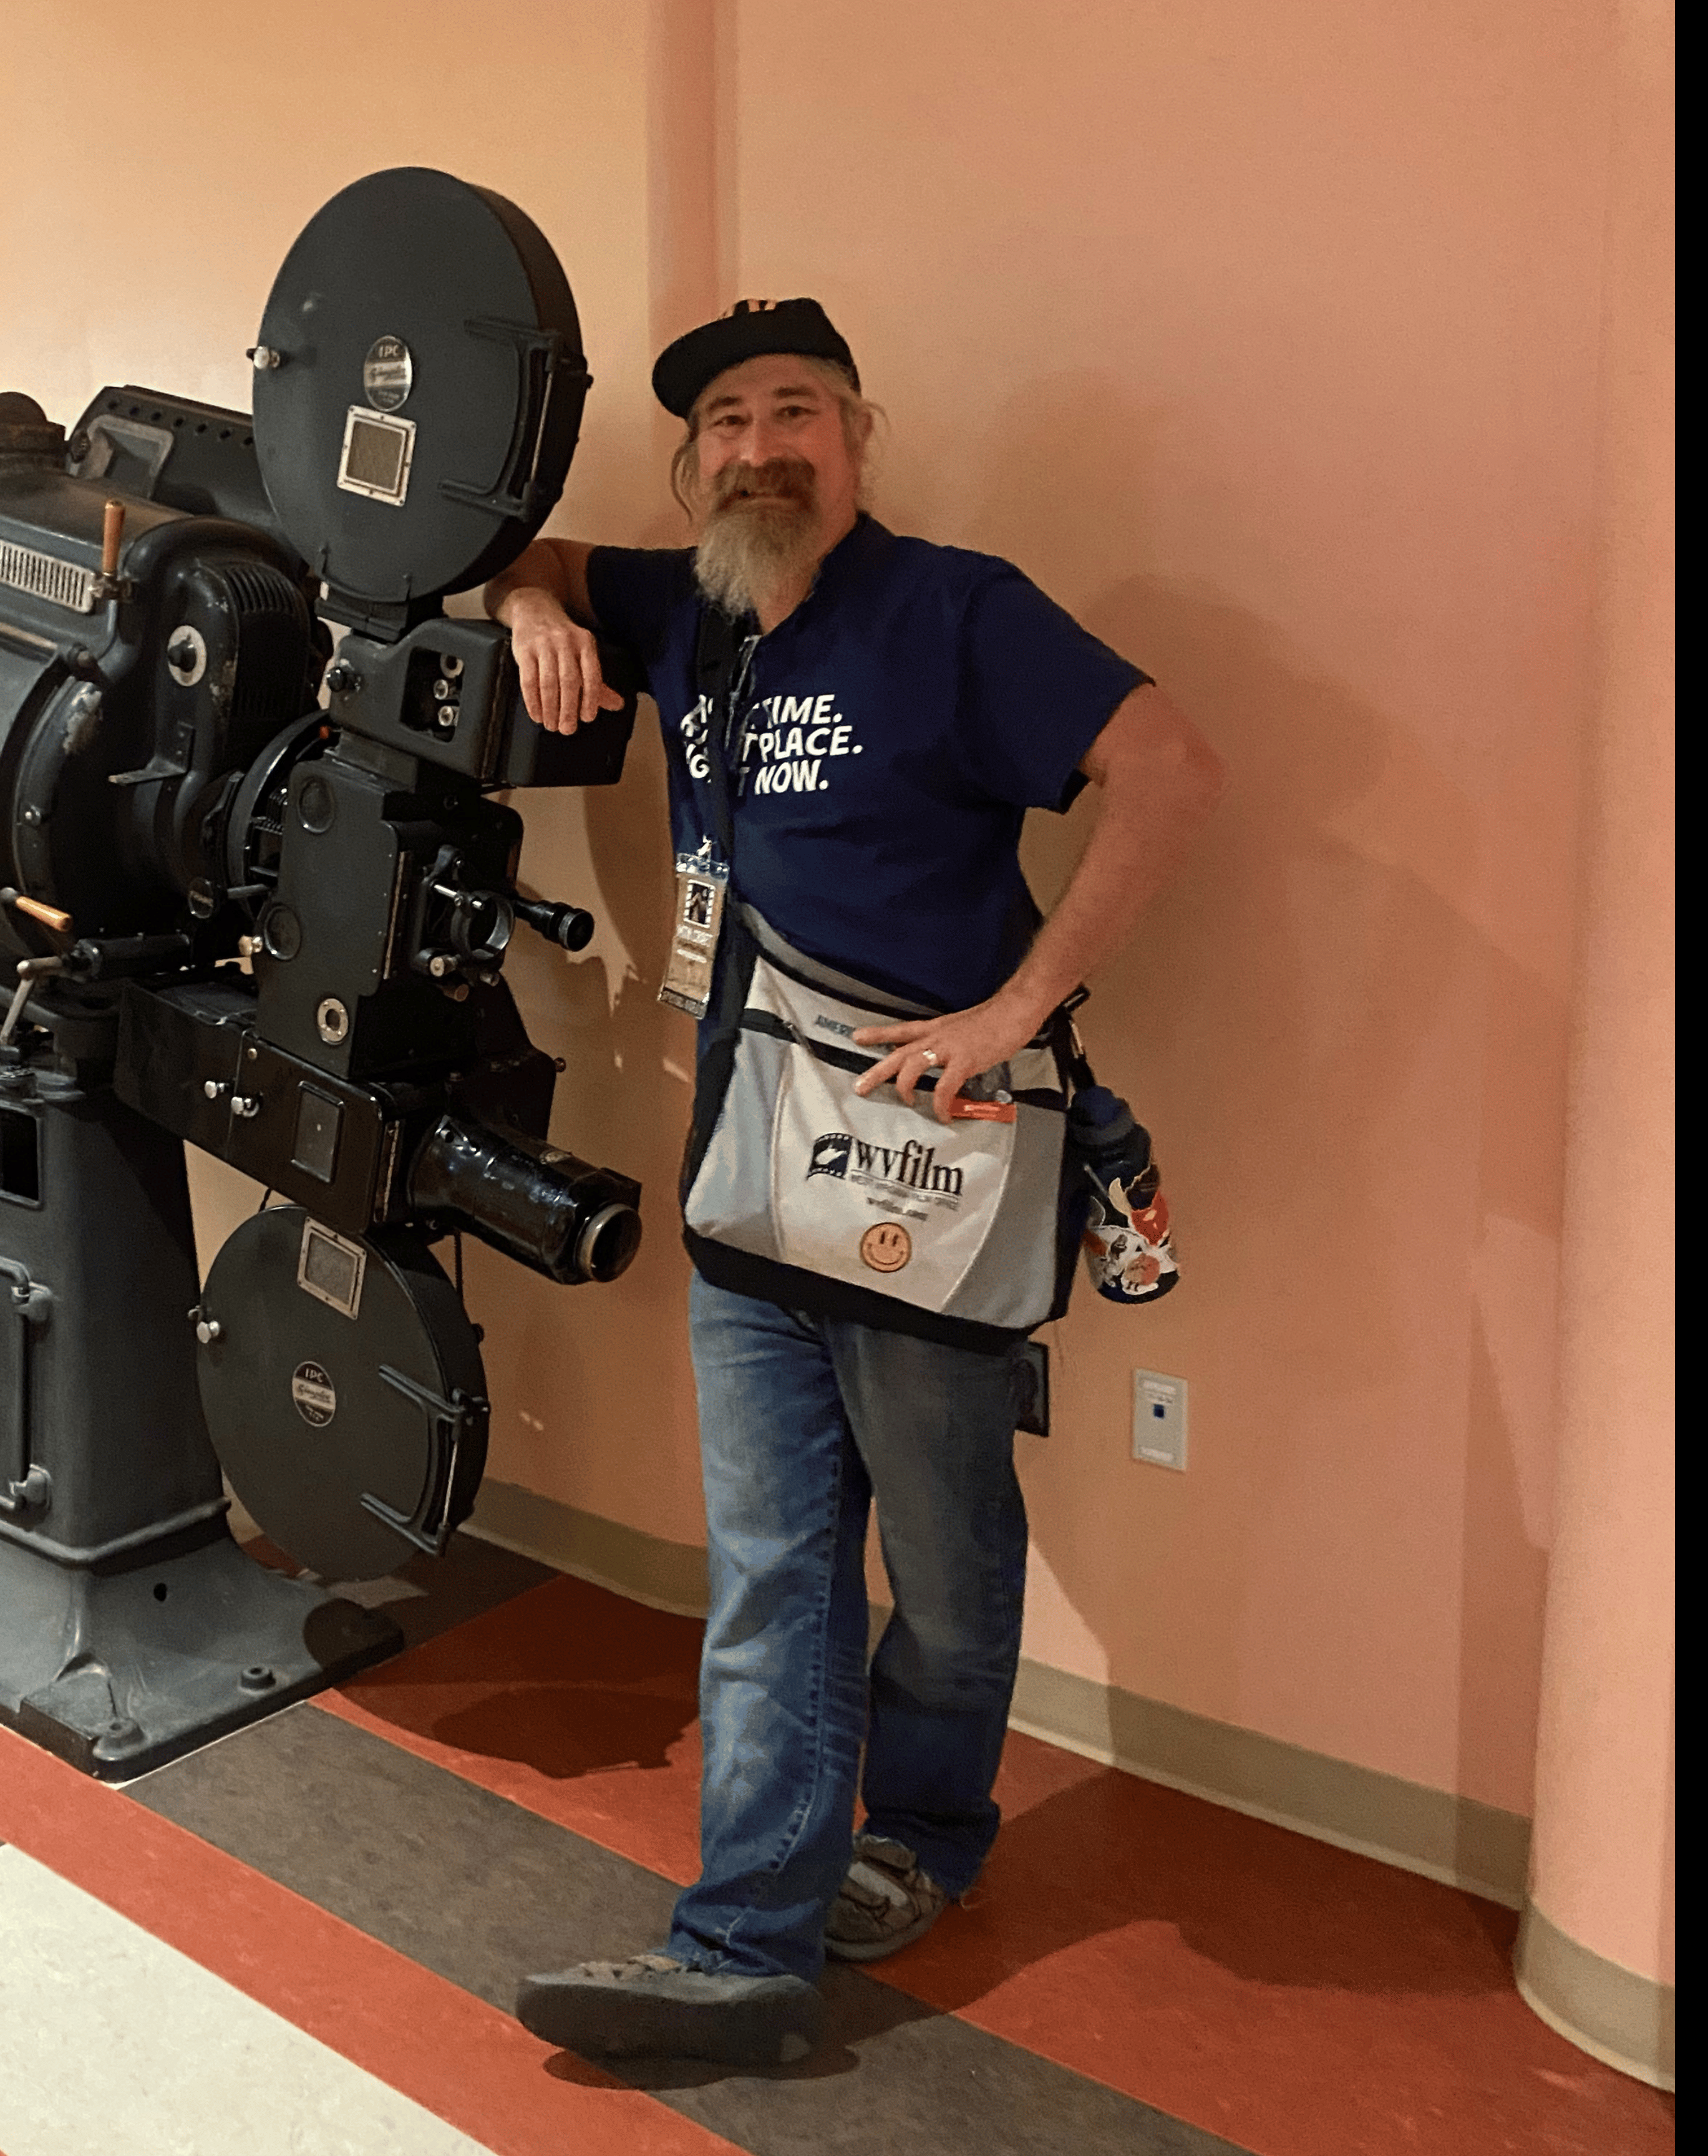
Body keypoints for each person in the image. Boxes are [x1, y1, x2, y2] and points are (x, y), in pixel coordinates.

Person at [487, 298, 1229, 2067]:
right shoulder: (690, 603)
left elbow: (1173, 771)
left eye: (795, 410)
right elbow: (507, 551)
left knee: (955, 1581)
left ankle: (928, 1833)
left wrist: (1021, 1005)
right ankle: (746, 1939)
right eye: (727, 420)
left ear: (858, 436)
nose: (759, 445)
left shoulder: (957, 612)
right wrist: (526, 607)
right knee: (773, 1570)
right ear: (697, 463)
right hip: (748, 1177)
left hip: (933, 1178)